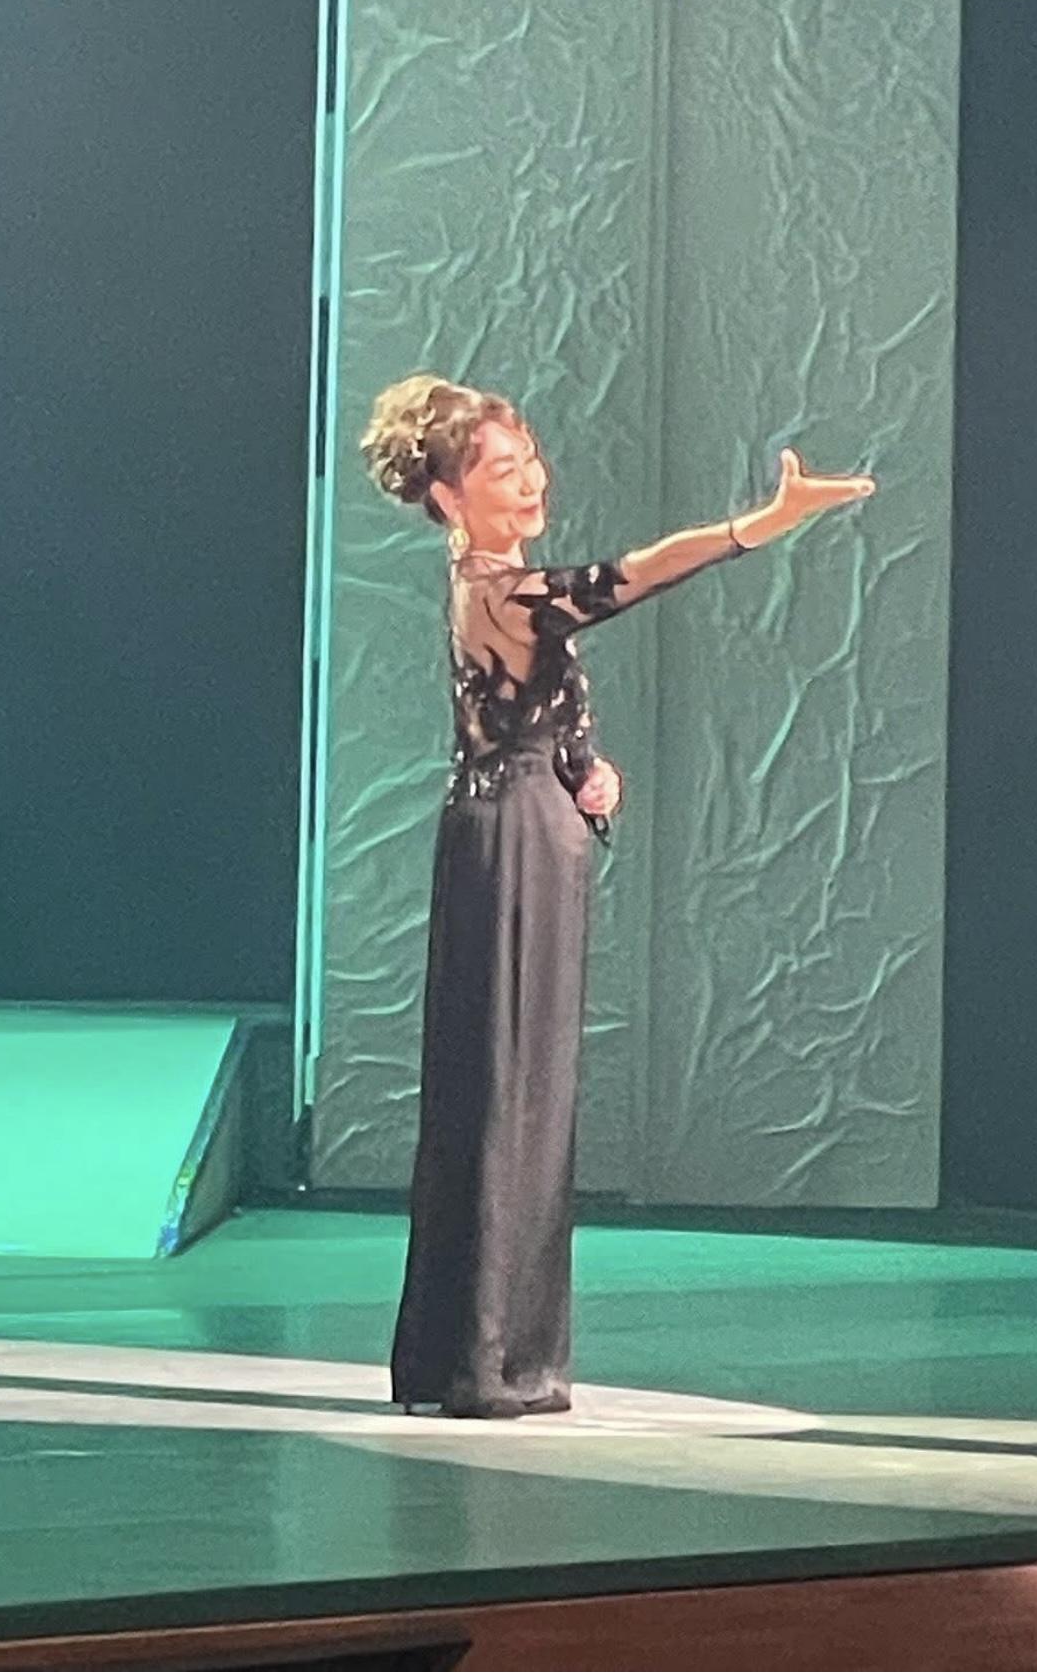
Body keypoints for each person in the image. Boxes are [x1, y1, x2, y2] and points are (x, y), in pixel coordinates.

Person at [360, 373, 876, 1418]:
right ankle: (480, 1359)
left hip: (524, 830)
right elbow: (632, 575)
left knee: (520, 1086)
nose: (531, 480)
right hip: (512, 846)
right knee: (507, 1088)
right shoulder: (500, 594)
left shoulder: (498, 593)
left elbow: (531, 721)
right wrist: (757, 525)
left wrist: (585, 770)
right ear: (450, 497)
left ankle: (483, 1354)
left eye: (530, 461)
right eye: (504, 470)